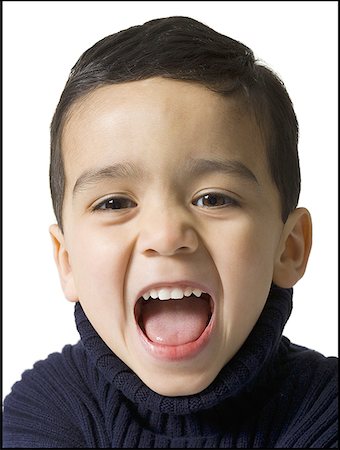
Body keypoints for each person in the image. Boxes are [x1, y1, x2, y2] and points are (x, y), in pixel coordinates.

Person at [3, 16, 337, 448]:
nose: (166, 235)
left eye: (214, 198)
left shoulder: (327, 411)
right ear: (67, 262)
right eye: (115, 203)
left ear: (289, 248)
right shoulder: (48, 407)